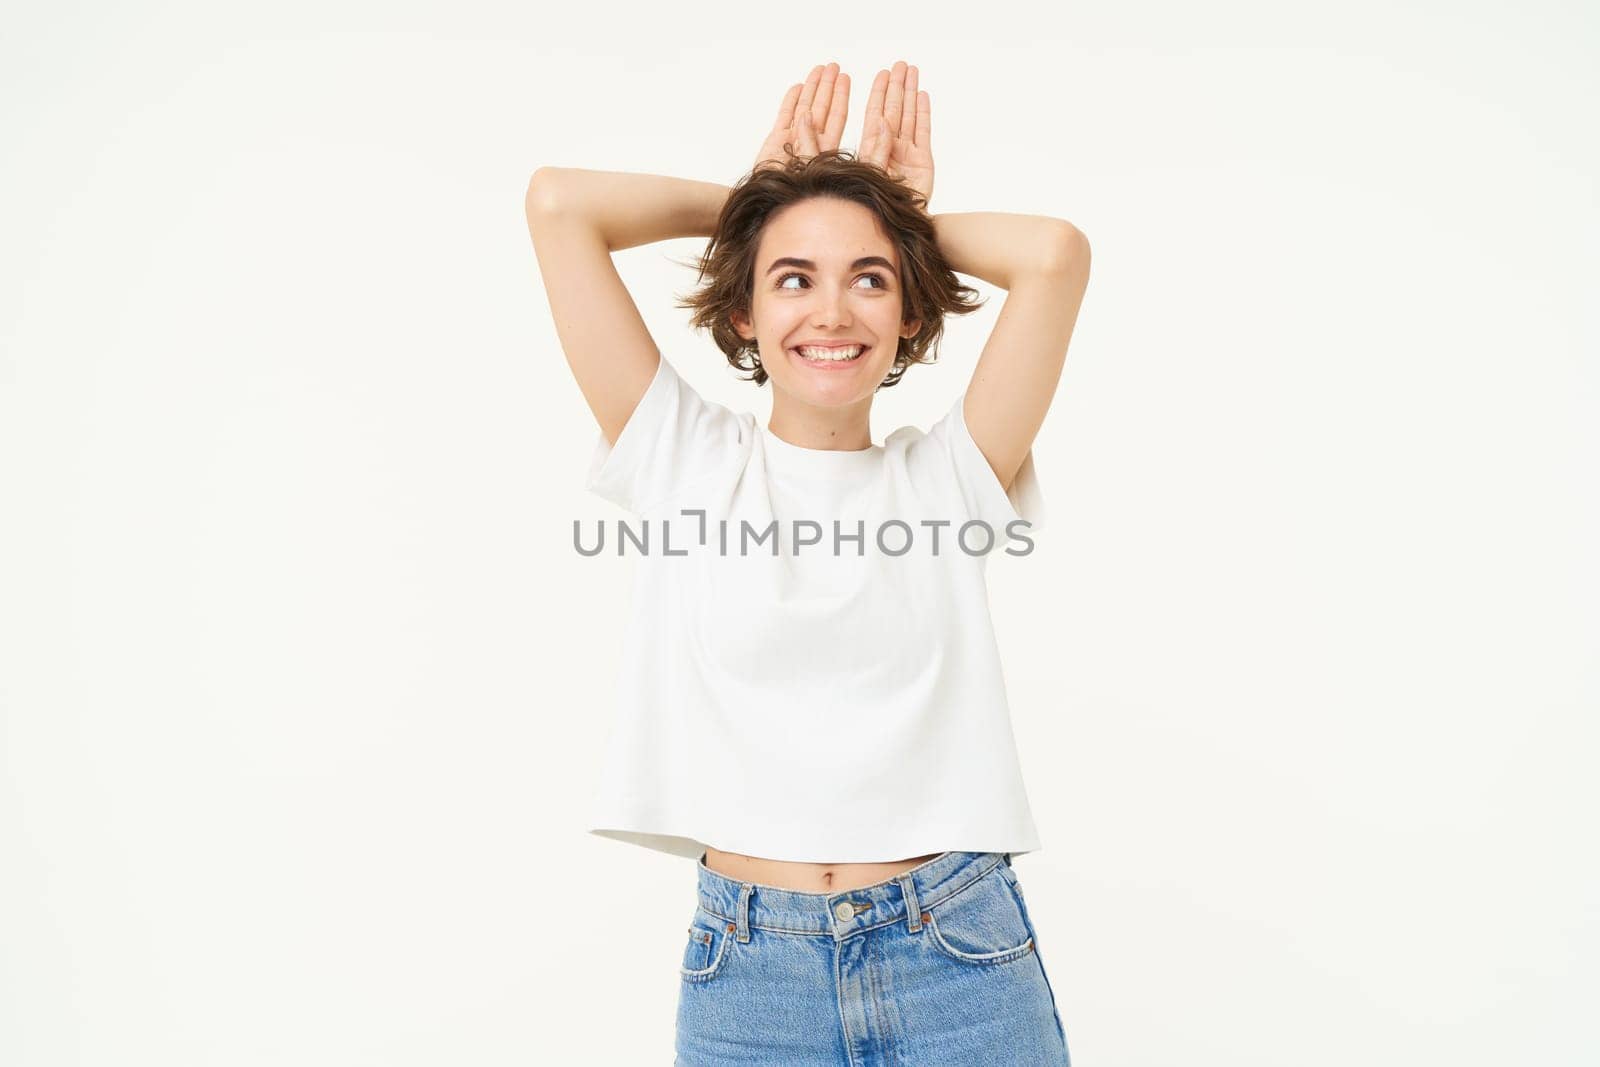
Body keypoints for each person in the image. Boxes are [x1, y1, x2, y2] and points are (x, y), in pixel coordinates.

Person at [525, 59, 1090, 1065]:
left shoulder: (951, 477)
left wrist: (886, 219)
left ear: (910, 314)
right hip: (752, 971)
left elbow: (1052, 255)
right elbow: (560, 204)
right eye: (792, 278)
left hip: (956, 949)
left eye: (869, 280)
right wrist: (762, 209)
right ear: (743, 310)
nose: (831, 311)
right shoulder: (682, 460)